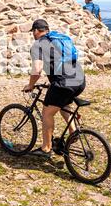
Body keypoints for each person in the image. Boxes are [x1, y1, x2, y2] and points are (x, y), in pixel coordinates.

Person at [23, 19, 86, 159]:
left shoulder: (38, 44)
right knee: (62, 104)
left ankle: (46, 148)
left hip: (64, 82)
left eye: (33, 32)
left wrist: (30, 85)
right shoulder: (58, 39)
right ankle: (73, 133)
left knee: (47, 113)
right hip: (79, 79)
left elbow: (37, 70)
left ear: (35, 31)